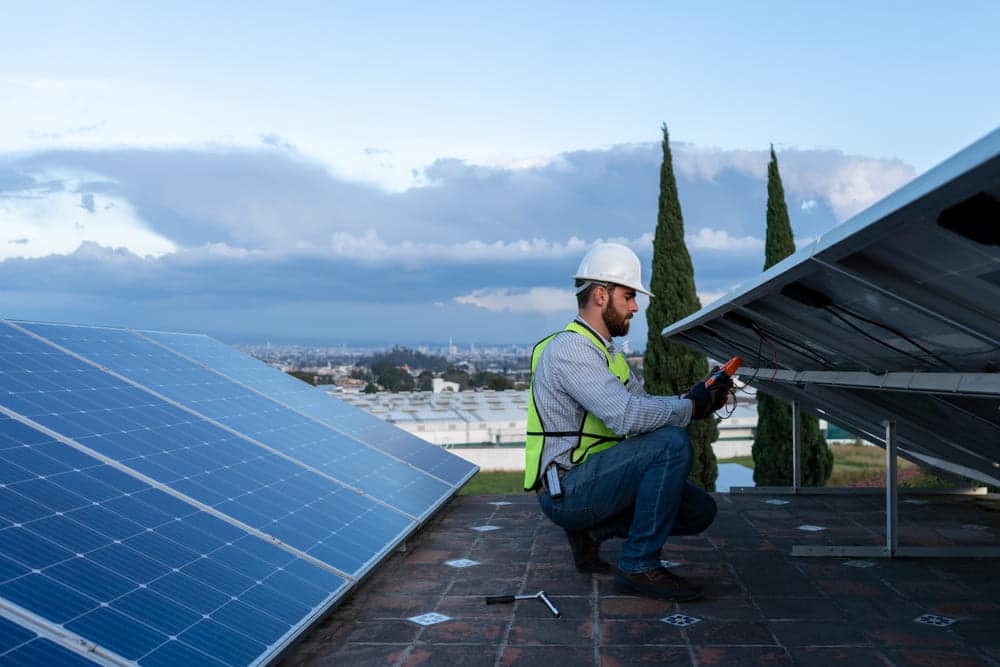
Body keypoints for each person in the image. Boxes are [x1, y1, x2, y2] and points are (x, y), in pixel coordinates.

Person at [524, 242, 731, 601]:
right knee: (670, 444)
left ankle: (592, 534)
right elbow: (625, 417)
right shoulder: (571, 350)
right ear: (601, 295)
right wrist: (690, 409)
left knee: (700, 510)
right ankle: (638, 565)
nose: (635, 307)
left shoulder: (604, 350)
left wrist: (694, 398)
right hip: (568, 489)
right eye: (629, 296)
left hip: (596, 477)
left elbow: (641, 406)